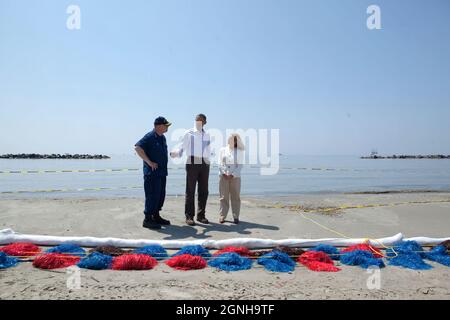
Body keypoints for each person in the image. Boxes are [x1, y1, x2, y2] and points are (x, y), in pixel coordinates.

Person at [170, 114, 211, 226]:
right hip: (192, 161)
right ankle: (189, 216)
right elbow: (182, 147)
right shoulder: (189, 133)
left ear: (205, 122)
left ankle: (201, 215)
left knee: (204, 191)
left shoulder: (207, 135)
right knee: (190, 190)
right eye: (197, 120)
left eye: (201, 121)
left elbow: (208, 150)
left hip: (205, 163)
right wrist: (175, 153)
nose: (199, 122)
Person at [134, 116, 172, 230]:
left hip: (161, 172)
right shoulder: (150, 136)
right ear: (159, 126)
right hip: (152, 173)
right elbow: (137, 148)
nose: (167, 127)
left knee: (160, 195)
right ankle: (147, 219)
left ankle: (156, 215)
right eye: (166, 125)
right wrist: (149, 162)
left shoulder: (162, 138)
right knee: (152, 195)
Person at [218, 134, 244, 224]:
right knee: (223, 197)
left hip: (235, 177)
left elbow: (240, 165)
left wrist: (232, 175)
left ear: (237, 141)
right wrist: (224, 173)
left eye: (234, 139)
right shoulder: (222, 150)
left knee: (235, 197)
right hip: (223, 176)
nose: (232, 141)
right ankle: (222, 216)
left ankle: (236, 216)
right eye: (231, 139)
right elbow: (220, 163)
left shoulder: (240, 151)